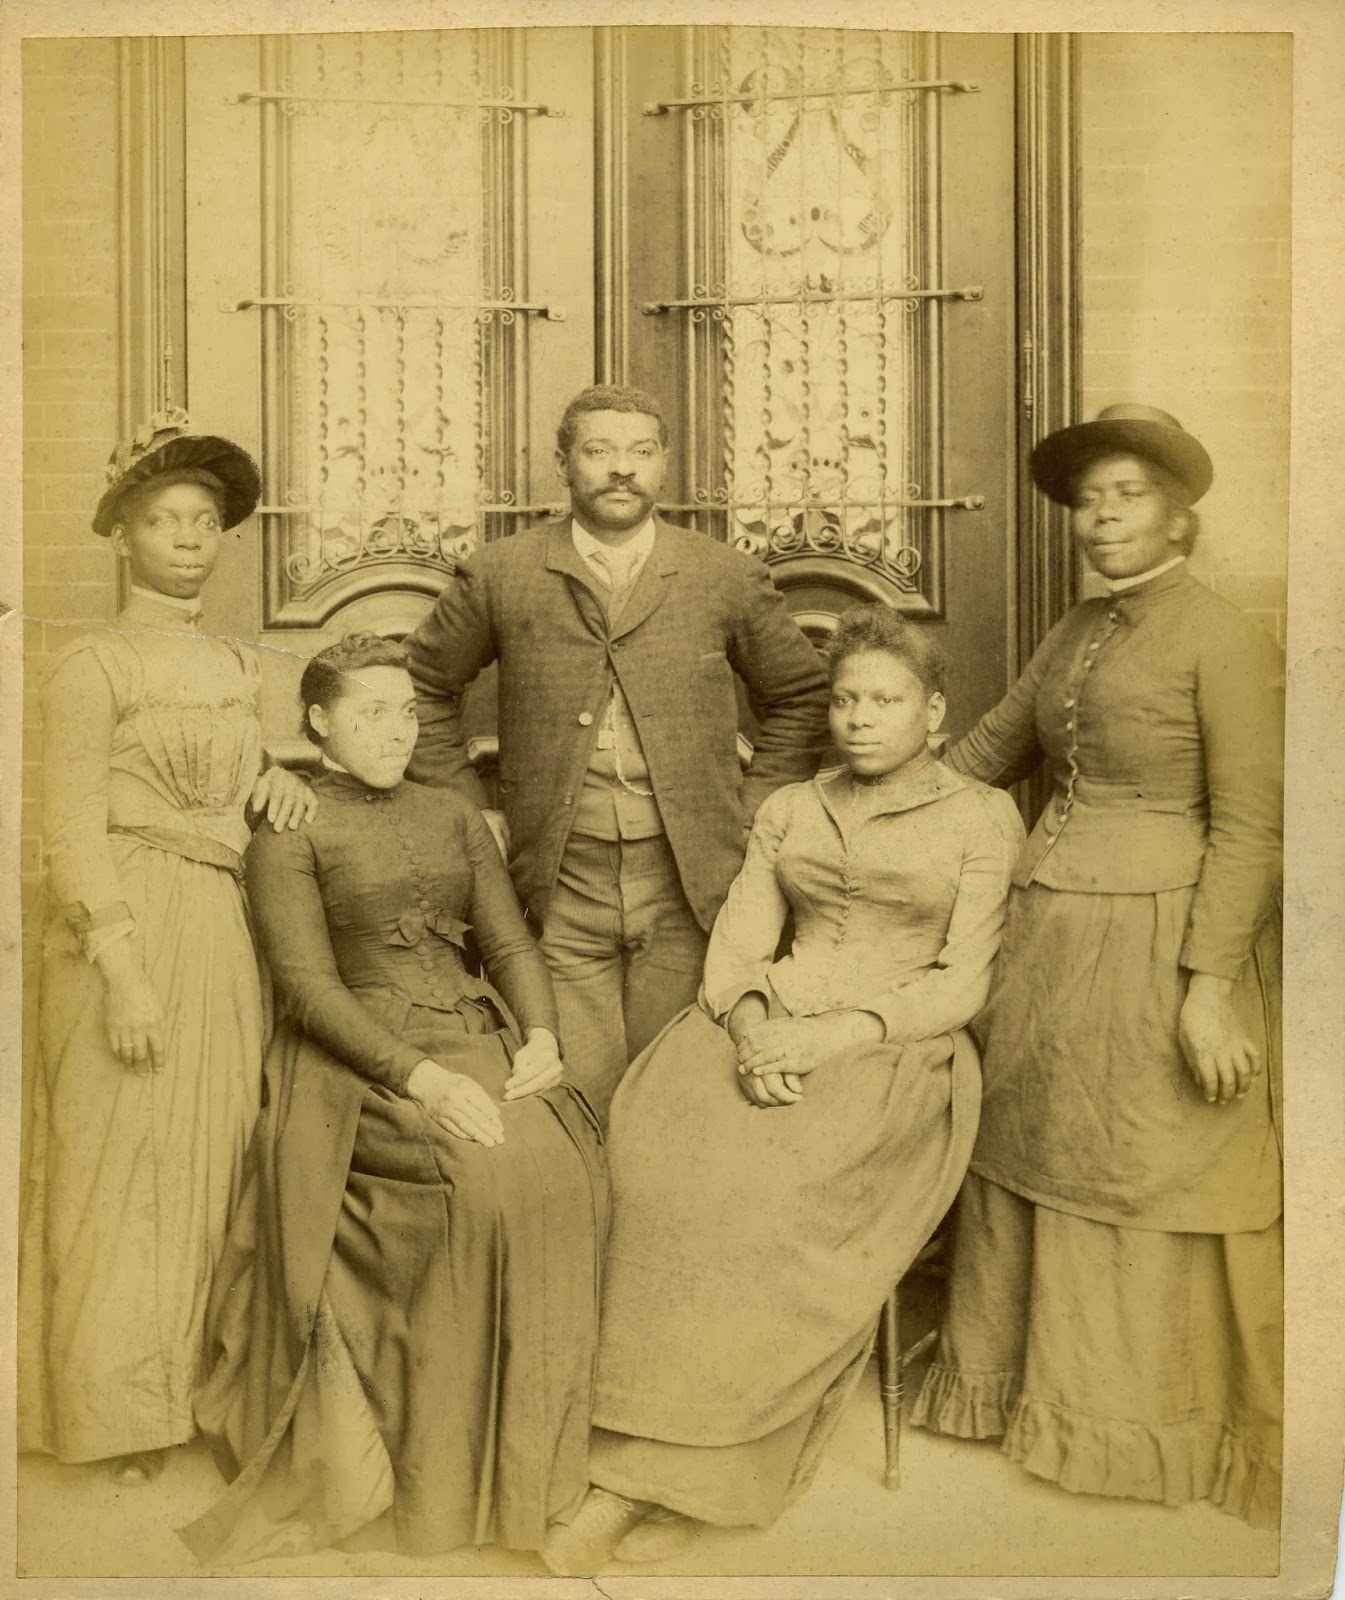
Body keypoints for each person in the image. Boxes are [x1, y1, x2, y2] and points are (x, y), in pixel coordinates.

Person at [541, 605, 1026, 1574]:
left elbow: (960, 982)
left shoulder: (980, 815)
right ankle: (626, 1455)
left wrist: (833, 1034)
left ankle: (671, 1481)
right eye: (845, 699)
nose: (858, 717)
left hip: (896, 1050)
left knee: (764, 1204)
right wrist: (758, 1021)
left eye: (885, 700)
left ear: (933, 713)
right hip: (764, 1021)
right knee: (647, 1168)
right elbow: (740, 943)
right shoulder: (791, 808)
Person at [910, 404, 1284, 1528]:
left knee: (1140, 1159)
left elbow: (1252, 826)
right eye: (1089, 499)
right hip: (1049, 939)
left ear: (1180, 514)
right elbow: (987, 755)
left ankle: (1138, 1427)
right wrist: (859, 801)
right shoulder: (1076, 630)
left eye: (1127, 495)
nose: (1102, 515)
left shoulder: (1221, 636)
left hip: (1160, 944)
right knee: (1039, 1144)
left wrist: (1208, 987)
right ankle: (1031, 1400)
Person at [180, 634, 607, 1564]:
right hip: (354, 1063)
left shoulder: (452, 812)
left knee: (569, 1166)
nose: (397, 730)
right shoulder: (288, 832)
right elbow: (306, 987)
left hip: (473, 1032)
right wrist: (420, 1077)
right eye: (370, 711)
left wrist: (539, 1038)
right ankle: (441, 1489)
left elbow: (509, 945)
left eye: (407, 710)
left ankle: (532, 1479)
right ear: (319, 722)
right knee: (480, 1183)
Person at [18, 409, 315, 1488]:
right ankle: (107, 1416)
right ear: (125, 535)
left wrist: (283, 780)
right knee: (117, 1165)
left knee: (205, 1162)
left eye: (203, 522)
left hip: (222, 931)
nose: (188, 538)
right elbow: (70, 831)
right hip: (124, 932)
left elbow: (245, 785)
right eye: (163, 520)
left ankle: (186, 1397)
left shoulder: (241, 667)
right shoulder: (89, 665)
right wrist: (123, 966)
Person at [403, 384, 831, 1121]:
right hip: (561, 882)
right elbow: (421, 688)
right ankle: (587, 1232)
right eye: (598, 451)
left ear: (663, 466)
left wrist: (753, 809)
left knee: (676, 1087)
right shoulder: (502, 573)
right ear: (564, 466)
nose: (620, 470)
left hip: (689, 882)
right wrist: (469, 811)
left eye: (639, 451)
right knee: (578, 1089)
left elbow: (799, 695)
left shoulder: (721, 574)